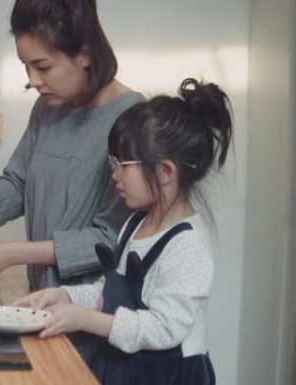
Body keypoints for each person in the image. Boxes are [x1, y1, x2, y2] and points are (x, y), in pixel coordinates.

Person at [14, 78, 233, 384]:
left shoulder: (188, 245)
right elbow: (110, 292)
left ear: (165, 171)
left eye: (122, 164)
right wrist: (65, 297)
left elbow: (164, 328)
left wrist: (87, 320)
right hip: (127, 371)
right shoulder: (134, 223)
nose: (114, 175)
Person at [0, 0, 144, 291]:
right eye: (25, 65)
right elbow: (20, 184)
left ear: (85, 54)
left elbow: (112, 238)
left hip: (93, 311)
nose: (33, 80)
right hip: (41, 299)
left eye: (43, 66)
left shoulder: (132, 119)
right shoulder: (48, 107)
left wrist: (13, 253)